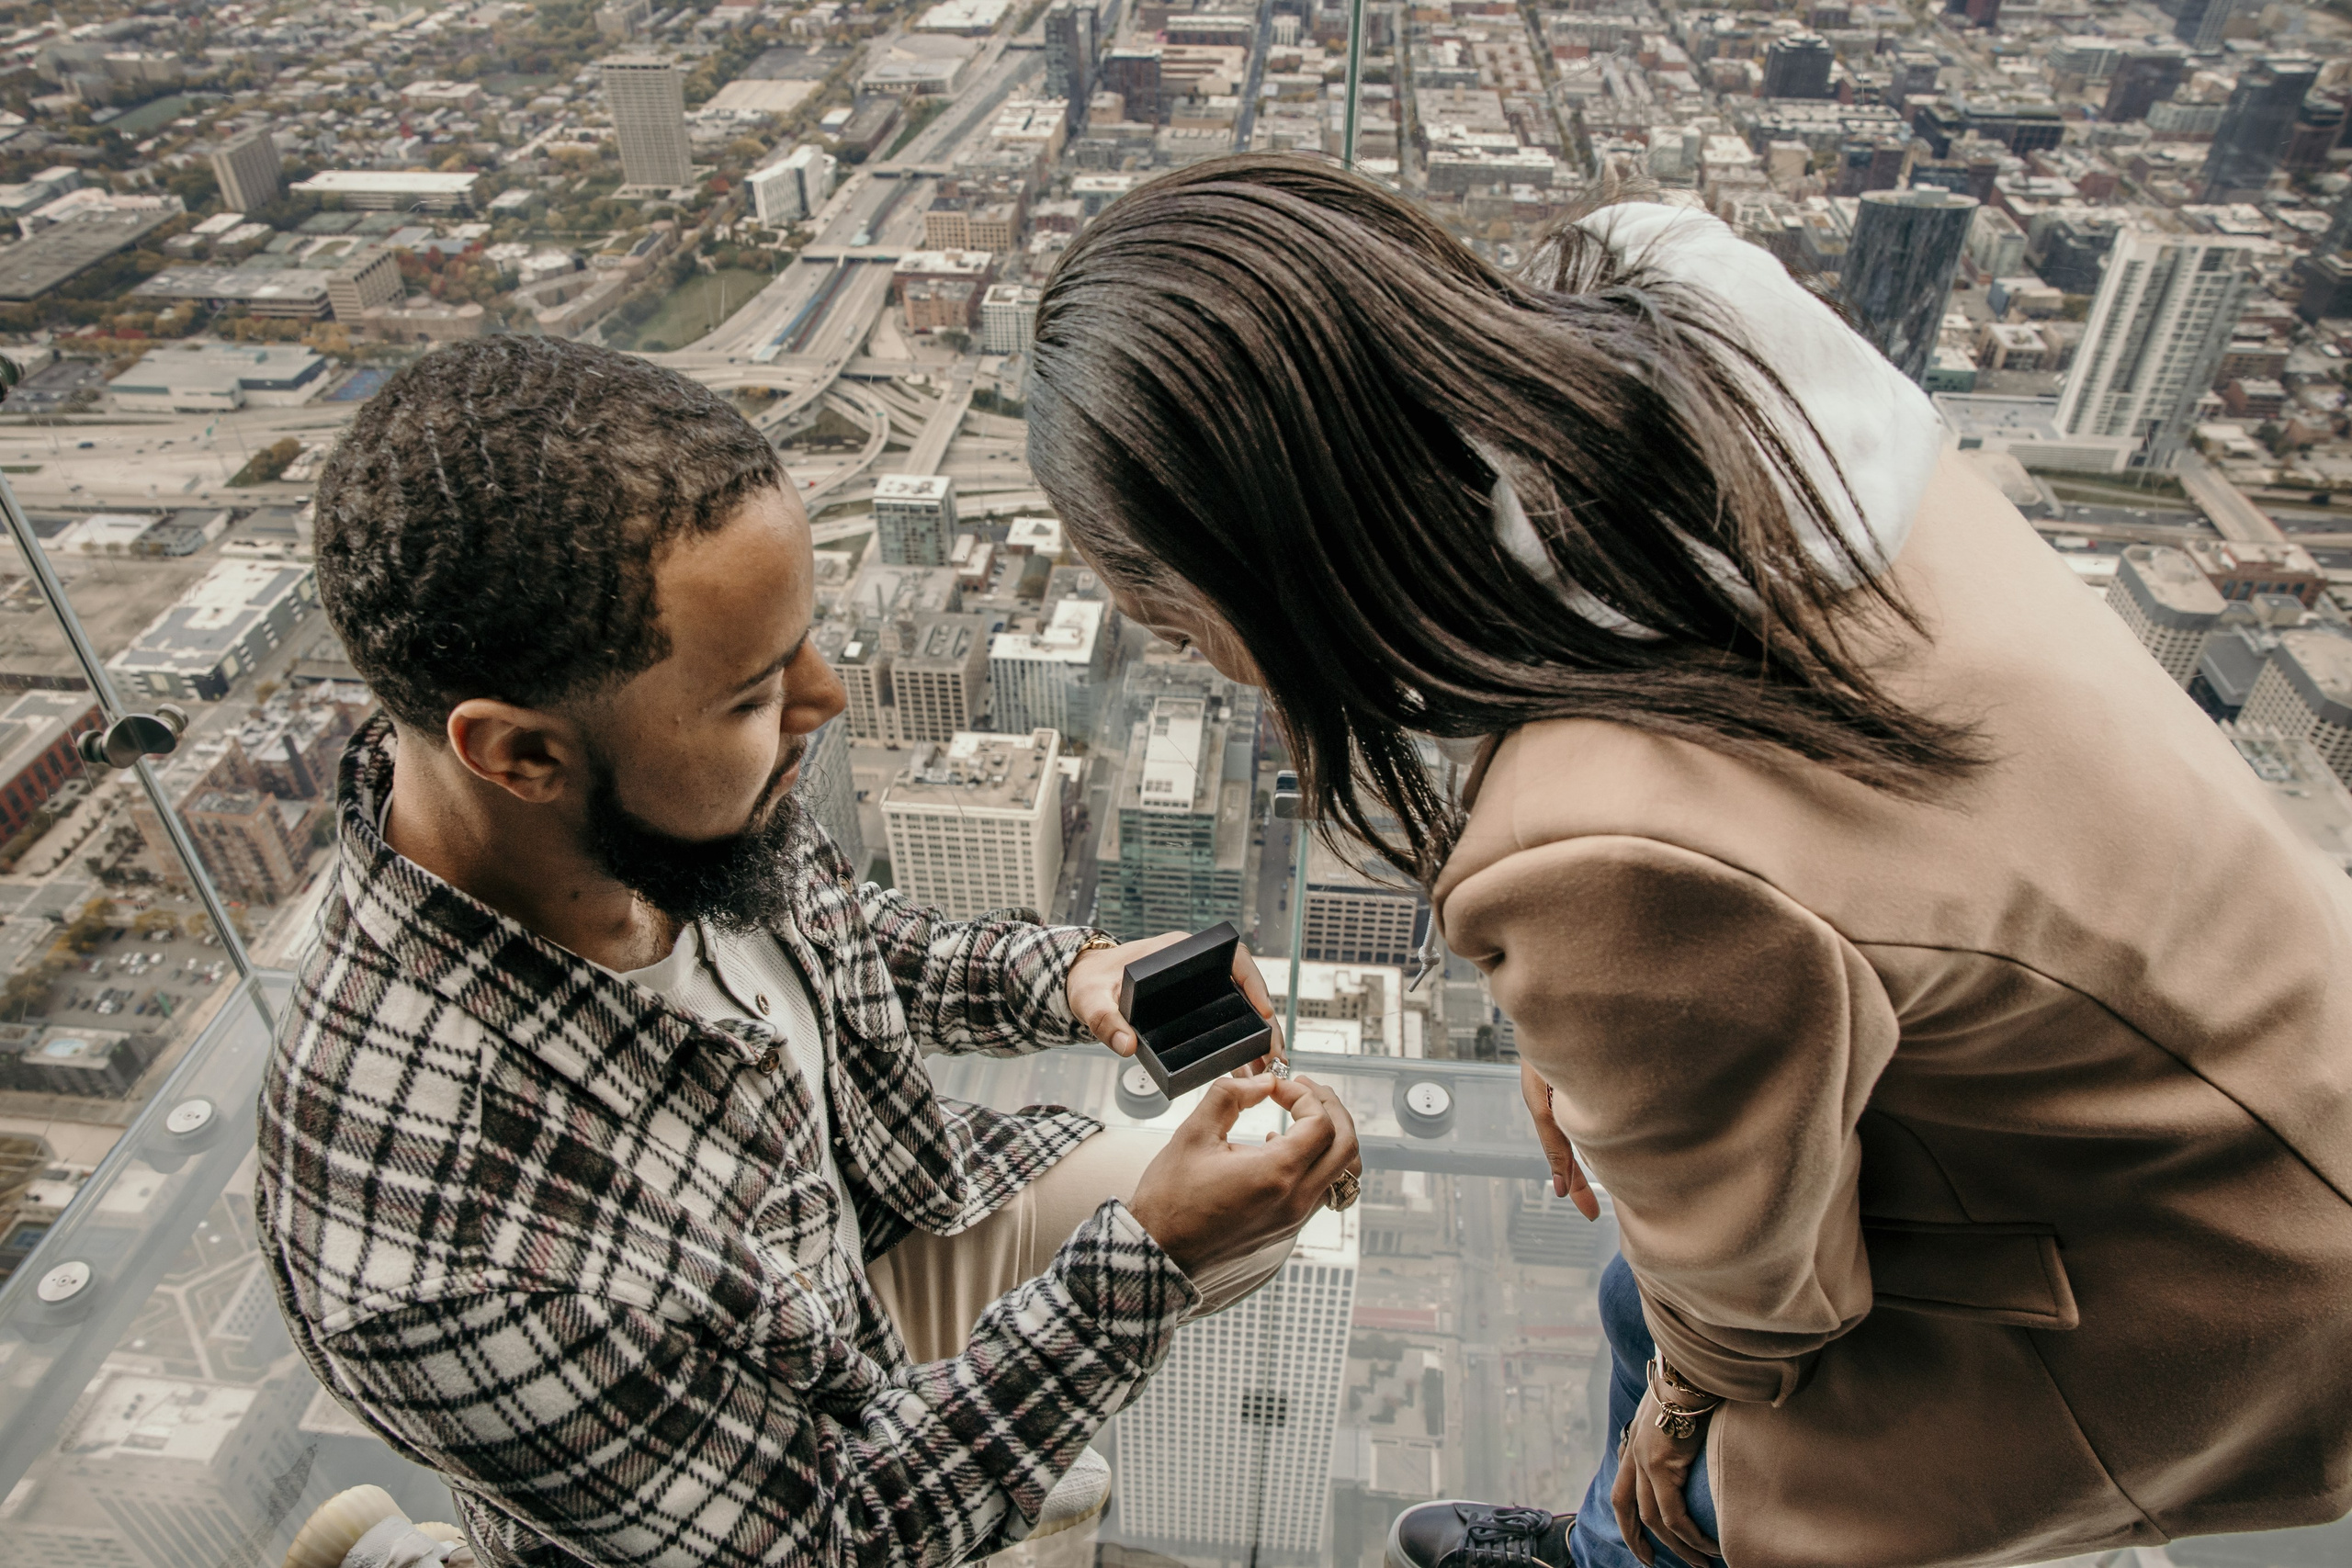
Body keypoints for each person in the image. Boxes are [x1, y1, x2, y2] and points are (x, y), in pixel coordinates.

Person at [1022, 152, 2352, 1568]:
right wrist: (1606, 1028)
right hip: (2249, 1055)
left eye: (1176, 623)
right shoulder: (1695, 351)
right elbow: (1786, 893)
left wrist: (1684, 1407)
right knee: (1628, 1296)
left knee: (1707, 1500)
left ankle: (1621, 1546)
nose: (1212, 672)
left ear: (1274, 558)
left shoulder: (1591, 841)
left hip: (2216, 1260)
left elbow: (1757, 1291)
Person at [253, 336, 1363, 1568]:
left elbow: (843, 943)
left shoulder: (648, 792)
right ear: (517, 756)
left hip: (848, 1268)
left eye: (805, 644)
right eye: (752, 693)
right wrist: (1135, 1275)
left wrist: (1070, 973)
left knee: (1264, 1190)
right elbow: (835, 1541)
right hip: (750, 1464)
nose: (825, 702)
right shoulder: (436, 1259)